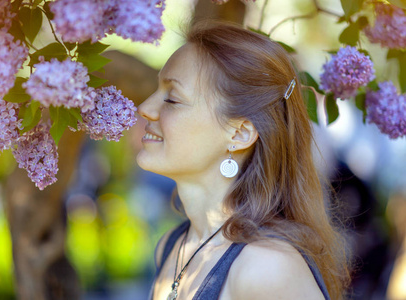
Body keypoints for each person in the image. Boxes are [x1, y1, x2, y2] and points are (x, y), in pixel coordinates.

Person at [136, 20, 350, 300]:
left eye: (172, 99)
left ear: (239, 133)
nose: (144, 108)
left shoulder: (268, 268)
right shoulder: (173, 247)